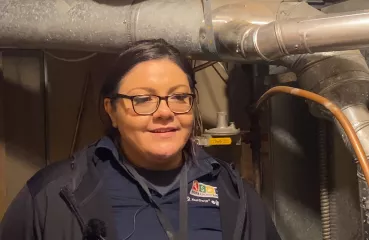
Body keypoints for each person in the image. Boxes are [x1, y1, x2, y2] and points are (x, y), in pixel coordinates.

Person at [0, 39, 281, 240]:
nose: (165, 112)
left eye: (179, 97)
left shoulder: (236, 195)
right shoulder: (52, 195)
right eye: (143, 99)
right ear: (111, 110)